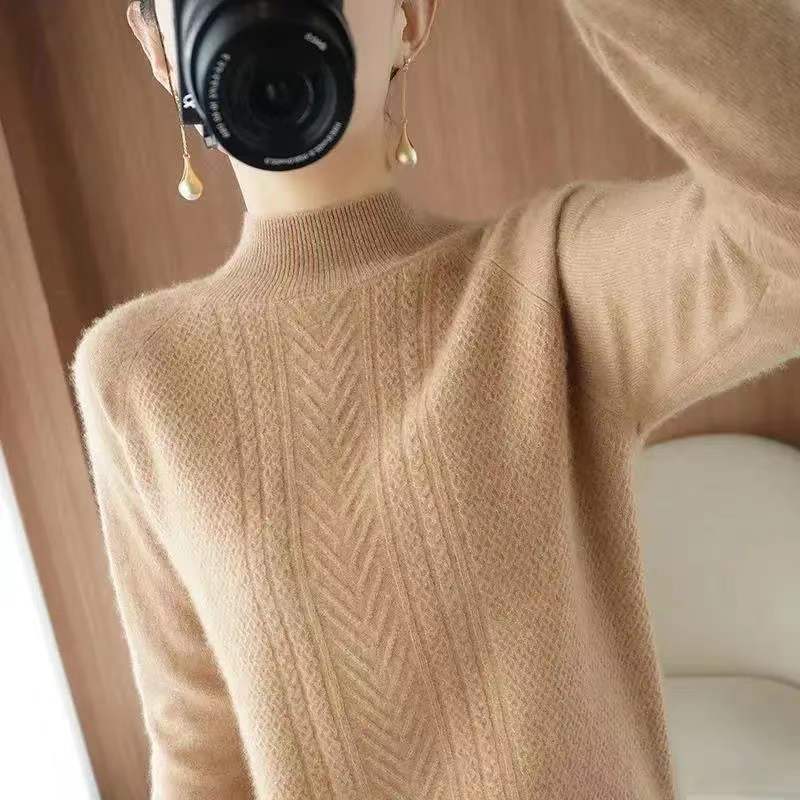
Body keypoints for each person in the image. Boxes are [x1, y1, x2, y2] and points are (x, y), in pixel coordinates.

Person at [69, 0, 800, 798]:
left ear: (411, 16)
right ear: (159, 47)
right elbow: (202, 752)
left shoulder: (547, 287)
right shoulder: (139, 375)